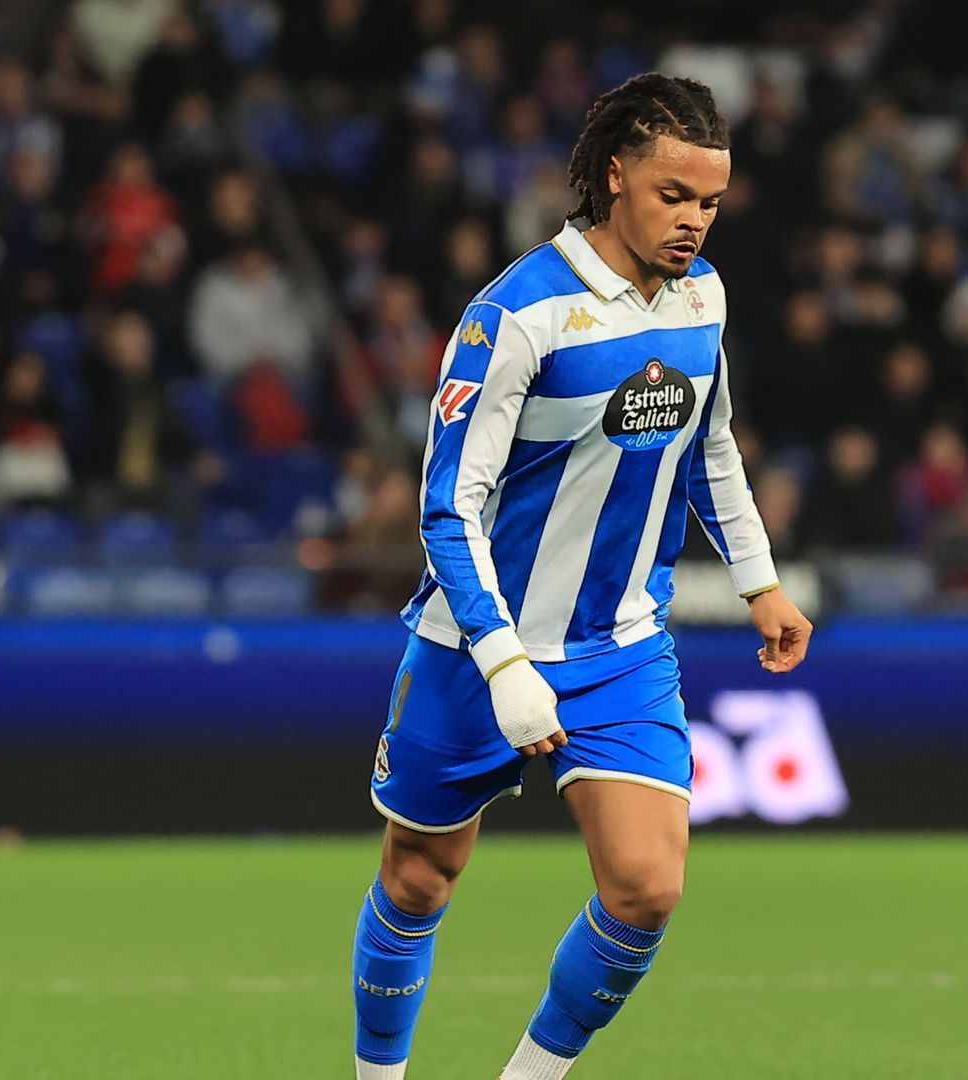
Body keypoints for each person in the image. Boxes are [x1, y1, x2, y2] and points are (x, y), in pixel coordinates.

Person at [347, 74, 812, 1080]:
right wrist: (506, 661)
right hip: (479, 648)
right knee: (422, 878)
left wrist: (758, 580)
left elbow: (712, 446)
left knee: (647, 887)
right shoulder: (516, 315)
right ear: (614, 178)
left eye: (711, 204)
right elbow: (447, 507)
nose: (694, 222)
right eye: (674, 196)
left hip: (619, 645)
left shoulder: (703, 299)